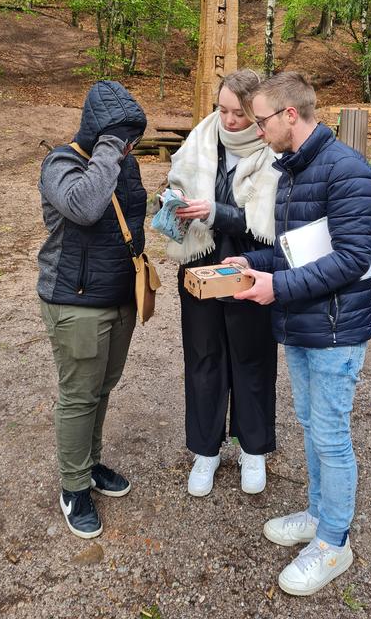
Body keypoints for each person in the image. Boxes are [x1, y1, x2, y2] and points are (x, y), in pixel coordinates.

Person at [225, 71, 371, 596]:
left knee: (332, 436)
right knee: (312, 424)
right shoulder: (291, 172)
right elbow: (295, 253)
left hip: (337, 328)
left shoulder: (349, 171)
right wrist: (251, 261)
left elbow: (354, 259)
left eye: (262, 119)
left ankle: (334, 543)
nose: (256, 129)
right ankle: (317, 515)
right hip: (301, 322)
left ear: (290, 114)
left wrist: (277, 287)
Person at [37, 79, 147, 539]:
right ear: (101, 132)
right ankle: (73, 487)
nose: (130, 146)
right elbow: (84, 207)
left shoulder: (124, 161)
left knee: (102, 387)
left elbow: (130, 216)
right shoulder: (60, 163)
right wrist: (108, 149)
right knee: (79, 395)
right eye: (124, 136)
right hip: (75, 301)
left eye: (132, 138)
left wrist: (169, 209)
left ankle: (90, 463)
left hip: (120, 296)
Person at [166, 69, 279, 498]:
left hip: (251, 266)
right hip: (200, 265)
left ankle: (253, 449)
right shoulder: (201, 137)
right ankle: (205, 451)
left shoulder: (273, 149)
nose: (229, 121)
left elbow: (271, 222)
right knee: (203, 359)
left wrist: (216, 212)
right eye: (222, 109)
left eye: (239, 114)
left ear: (257, 113)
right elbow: (177, 181)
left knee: (252, 360)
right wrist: (173, 204)